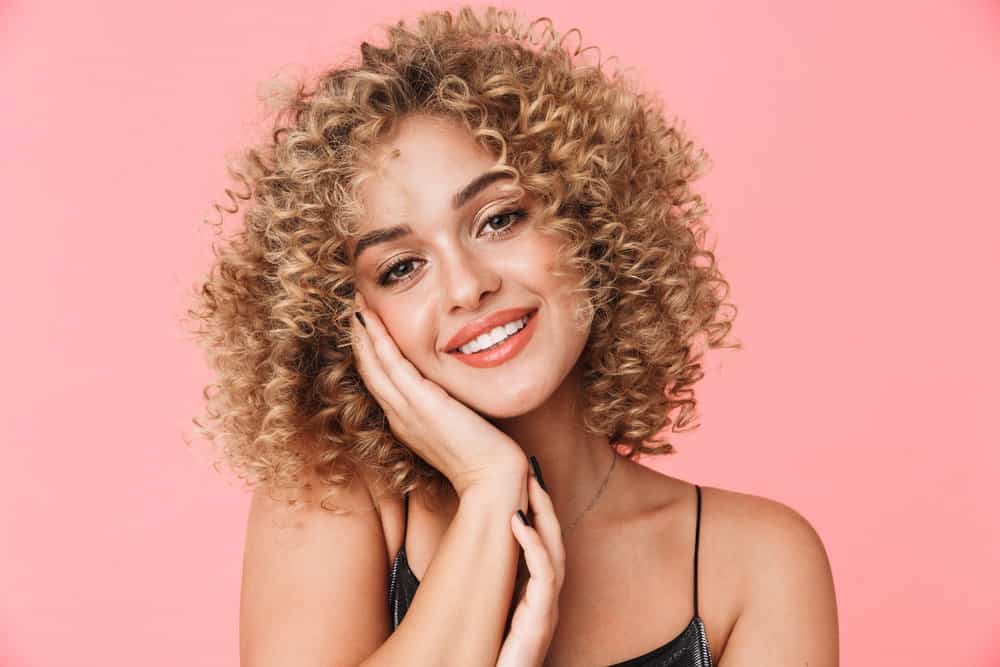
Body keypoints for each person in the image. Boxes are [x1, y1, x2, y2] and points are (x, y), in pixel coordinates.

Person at [187, 6, 839, 665]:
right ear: (347, 322)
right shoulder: (331, 498)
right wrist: (489, 484)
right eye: (402, 267)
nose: (467, 286)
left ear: (586, 217)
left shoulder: (756, 565)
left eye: (498, 220)